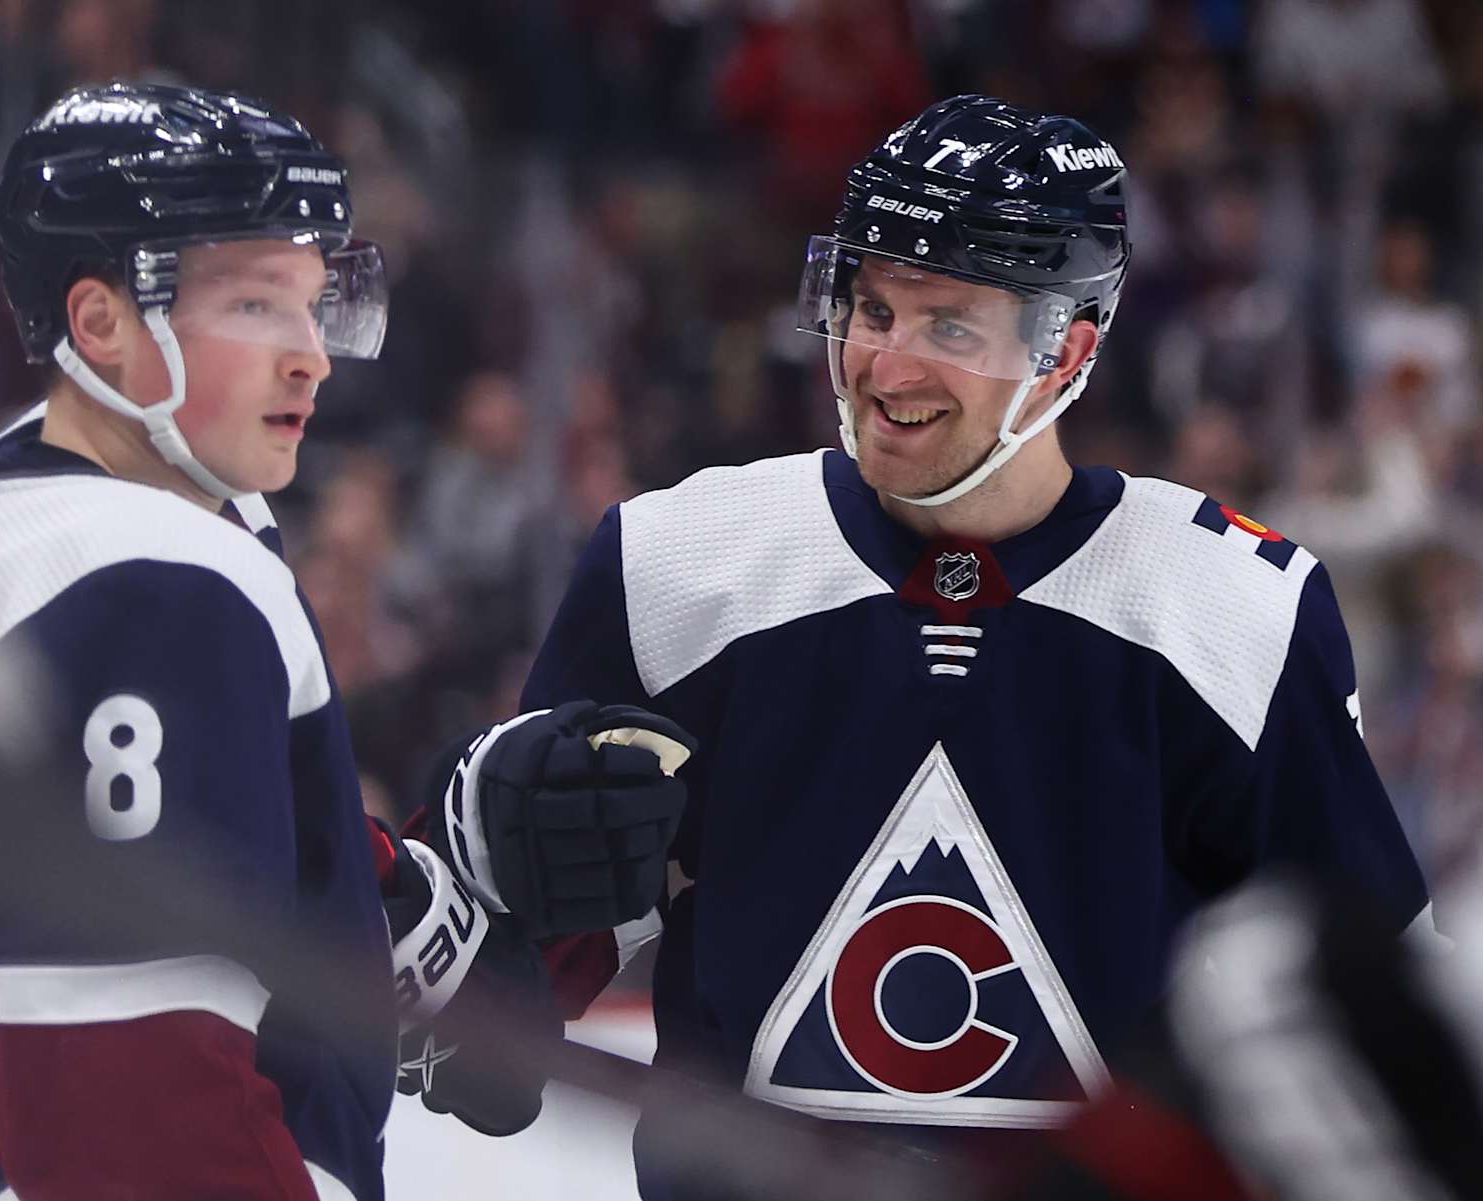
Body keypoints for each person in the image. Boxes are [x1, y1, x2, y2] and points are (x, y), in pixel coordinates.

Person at [425, 95, 1433, 1197]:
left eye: (949, 325)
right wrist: (484, 876)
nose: (885, 366)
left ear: (1067, 351)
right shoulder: (676, 563)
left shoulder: (1233, 607)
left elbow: (1374, 1046)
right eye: (870, 307)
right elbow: (491, 1006)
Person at [0, 81, 690, 1201]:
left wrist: (385, 910)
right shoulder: (156, 593)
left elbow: (191, 838)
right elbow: (125, 1106)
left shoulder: (30, 500)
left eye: (313, 302)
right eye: (254, 308)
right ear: (101, 324)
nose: (311, 356)